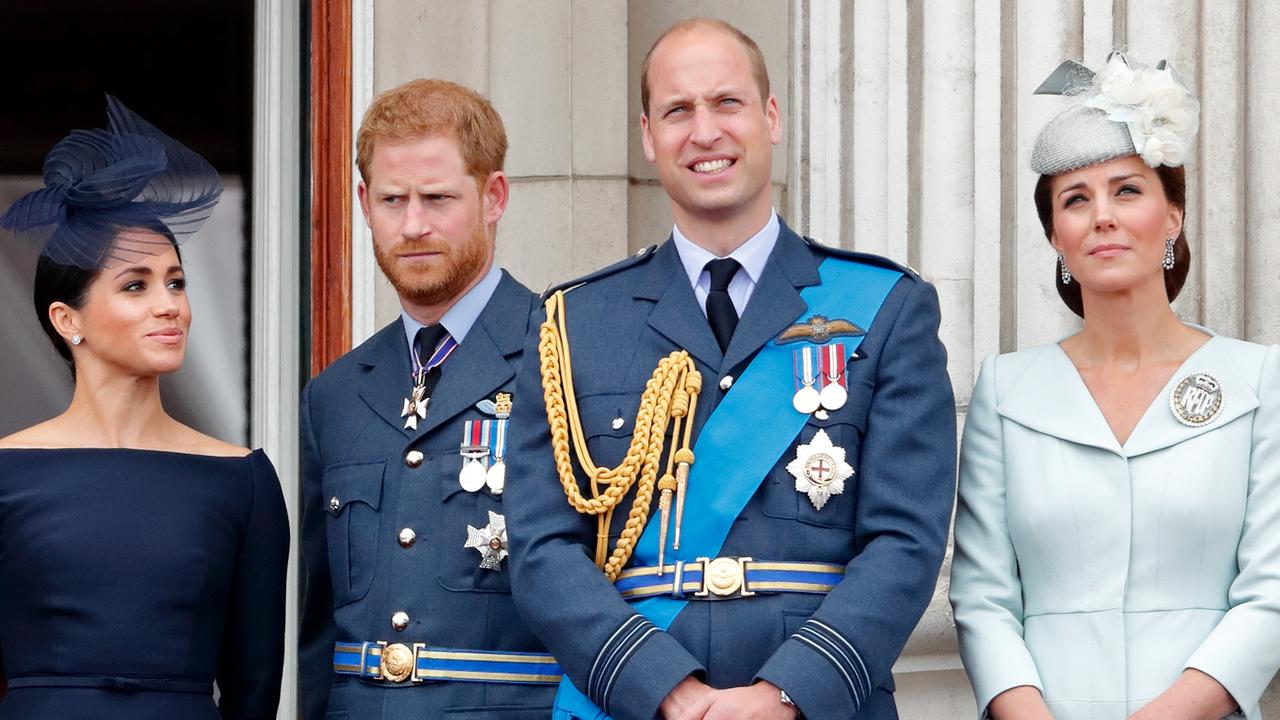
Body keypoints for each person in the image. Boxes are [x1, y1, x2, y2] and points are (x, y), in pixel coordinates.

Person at [504, 18, 956, 720]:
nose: (704, 131)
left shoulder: (886, 308)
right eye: (678, 110)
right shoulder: (573, 324)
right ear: (648, 135)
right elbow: (540, 551)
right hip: (638, 704)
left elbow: (905, 542)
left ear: (771, 118)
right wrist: (665, 690)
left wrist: (787, 694)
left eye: (727, 102)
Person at [950, 52, 1280, 720]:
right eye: (1076, 200)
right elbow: (983, 596)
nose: (1102, 215)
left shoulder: (1258, 381)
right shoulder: (1006, 391)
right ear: (1056, 238)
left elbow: (1271, 588)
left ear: (1172, 218)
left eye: (1126, 190)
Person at [0, 97, 289, 720]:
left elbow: (254, 689)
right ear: (66, 319)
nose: (171, 306)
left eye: (177, 282)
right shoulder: (5, 472)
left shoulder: (245, 482)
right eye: (136, 285)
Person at [298, 78, 560, 720]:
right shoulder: (334, 394)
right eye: (392, 200)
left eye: (437, 198)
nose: (412, 225)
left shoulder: (566, 357)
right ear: (363, 203)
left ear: (493, 196)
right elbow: (318, 634)